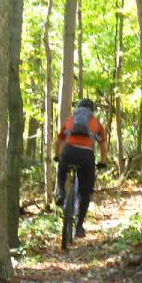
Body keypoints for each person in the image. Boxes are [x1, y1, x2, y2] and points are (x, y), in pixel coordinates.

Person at [54, 97, 108, 239]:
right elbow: (103, 147)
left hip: (69, 151)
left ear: (77, 109)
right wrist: (103, 162)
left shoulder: (70, 120)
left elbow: (58, 141)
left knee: (62, 167)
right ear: (92, 111)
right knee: (85, 192)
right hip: (86, 155)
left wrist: (57, 156)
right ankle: (79, 227)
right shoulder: (96, 123)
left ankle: (60, 192)